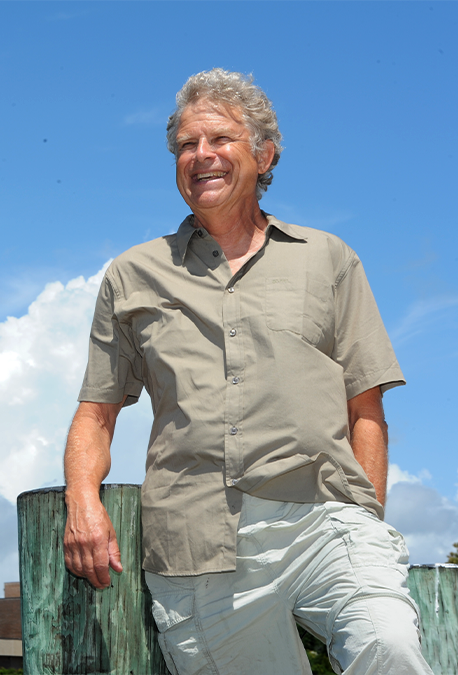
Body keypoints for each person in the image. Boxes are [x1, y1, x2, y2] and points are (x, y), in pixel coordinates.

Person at [63, 68, 432, 674]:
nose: (200, 155)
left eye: (219, 140)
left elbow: (365, 411)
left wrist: (367, 524)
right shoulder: (132, 274)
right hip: (195, 545)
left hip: (323, 520)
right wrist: (83, 501)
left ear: (264, 155)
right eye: (186, 144)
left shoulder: (329, 259)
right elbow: (96, 414)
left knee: (389, 647)